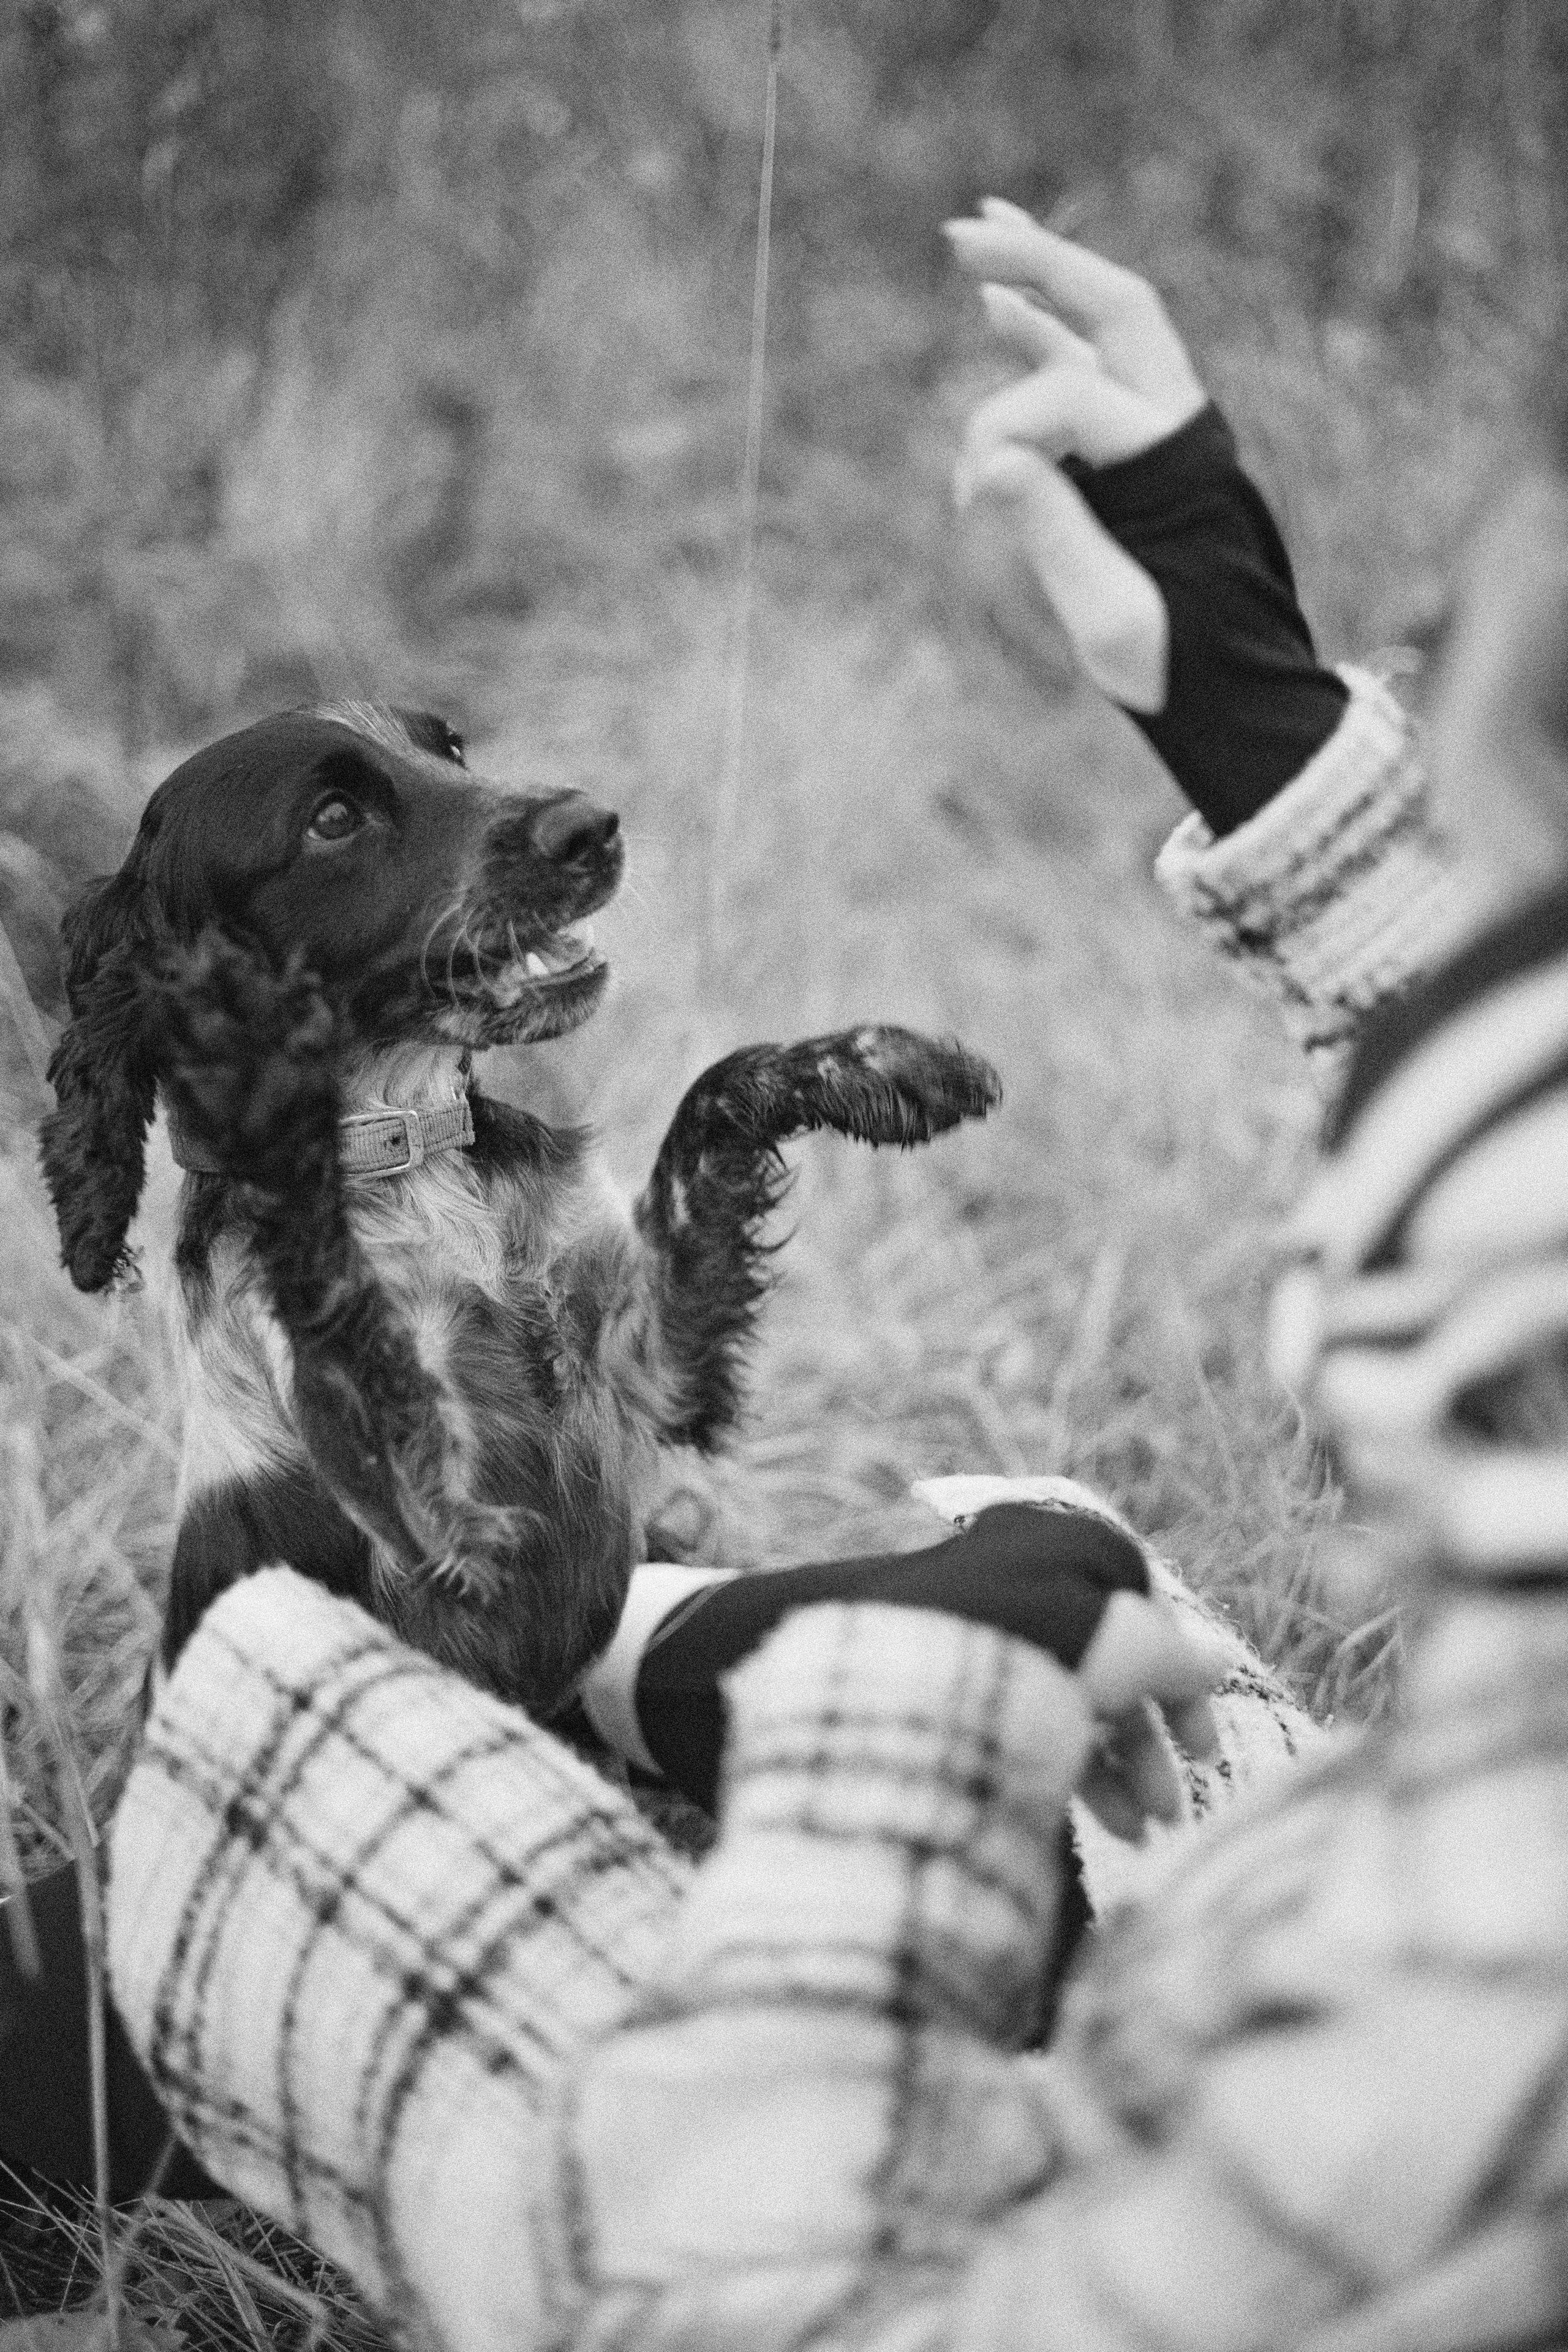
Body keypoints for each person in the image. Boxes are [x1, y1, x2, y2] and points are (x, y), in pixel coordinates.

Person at [21, 208, 1568, 2347]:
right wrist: (1255, 712)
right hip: (1243, 1827)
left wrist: (911, 1710)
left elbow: (757, 2295)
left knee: (254, 1807)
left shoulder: (1458, 2084)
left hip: (868, 2088)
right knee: (1041, 1525)